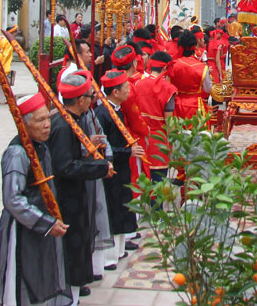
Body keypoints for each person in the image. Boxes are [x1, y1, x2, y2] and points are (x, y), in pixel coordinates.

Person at [0, 93, 72, 306]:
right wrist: (46, 223)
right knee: (22, 281)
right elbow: (12, 200)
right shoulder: (17, 153)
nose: (47, 125)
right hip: (23, 228)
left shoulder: (41, 146)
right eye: (39, 120)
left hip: (43, 223)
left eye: (47, 118)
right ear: (24, 125)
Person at [47, 71, 112, 300]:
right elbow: (65, 167)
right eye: (89, 96)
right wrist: (100, 168)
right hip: (66, 198)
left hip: (75, 195)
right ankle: (69, 294)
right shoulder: (63, 126)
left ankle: (76, 286)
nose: (92, 100)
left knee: (80, 242)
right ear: (81, 100)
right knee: (72, 246)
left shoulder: (70, 121)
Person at [95, 70, 145, 263]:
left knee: (123, 204)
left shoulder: (116, 111)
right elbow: (102, 148)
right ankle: (109, 257)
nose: (128, 90)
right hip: (112, 169)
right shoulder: (102, 114)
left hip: (122, 167)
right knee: (114, 208)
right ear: (115, 92)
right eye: (125, 88)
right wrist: (127, 153)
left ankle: (120, 249)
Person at [130, 52, 177, 183]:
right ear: (165, 69)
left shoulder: (138, 84)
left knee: (143, 184)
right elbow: (169, 122)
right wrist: (173, 146)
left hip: (141, 140)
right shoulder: (168, 88)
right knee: (158, 188)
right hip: (159, 142)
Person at [169, 30, 211, 119]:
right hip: (196, 105)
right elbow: (208, 89)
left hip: (177, 105)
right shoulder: (202, 67)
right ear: (195, 46)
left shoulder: (173, 65)